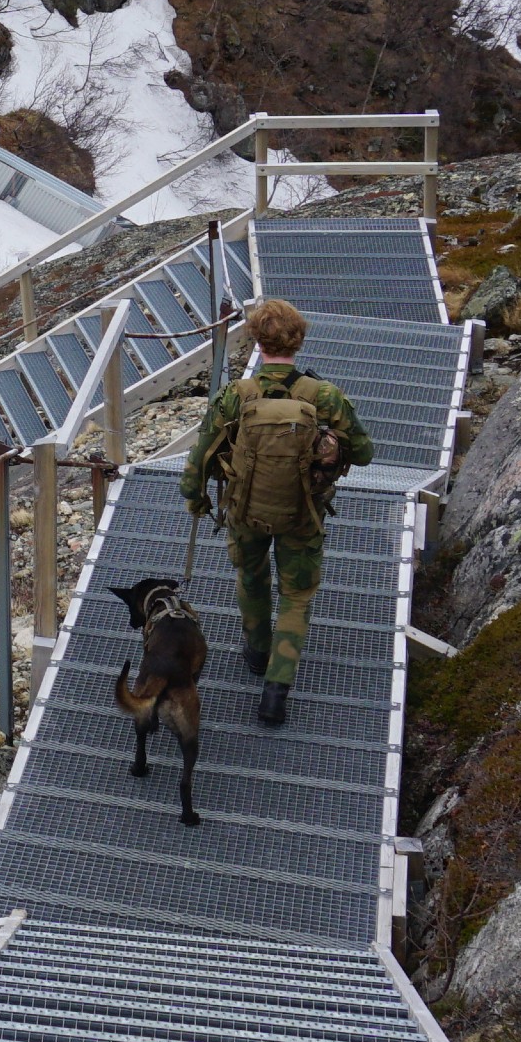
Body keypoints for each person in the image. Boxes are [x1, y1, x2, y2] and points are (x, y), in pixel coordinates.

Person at [181, 297, 372, 727]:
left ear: (256, 339)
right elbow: (363, 454)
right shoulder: (323, 395)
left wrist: (195, 498)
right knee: (297, 594)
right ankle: (275, 690)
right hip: (303, 514)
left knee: (251, 577)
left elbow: (200, 455)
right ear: (298, 341)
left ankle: (256, 652)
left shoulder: (237, 395)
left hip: (245, 510)